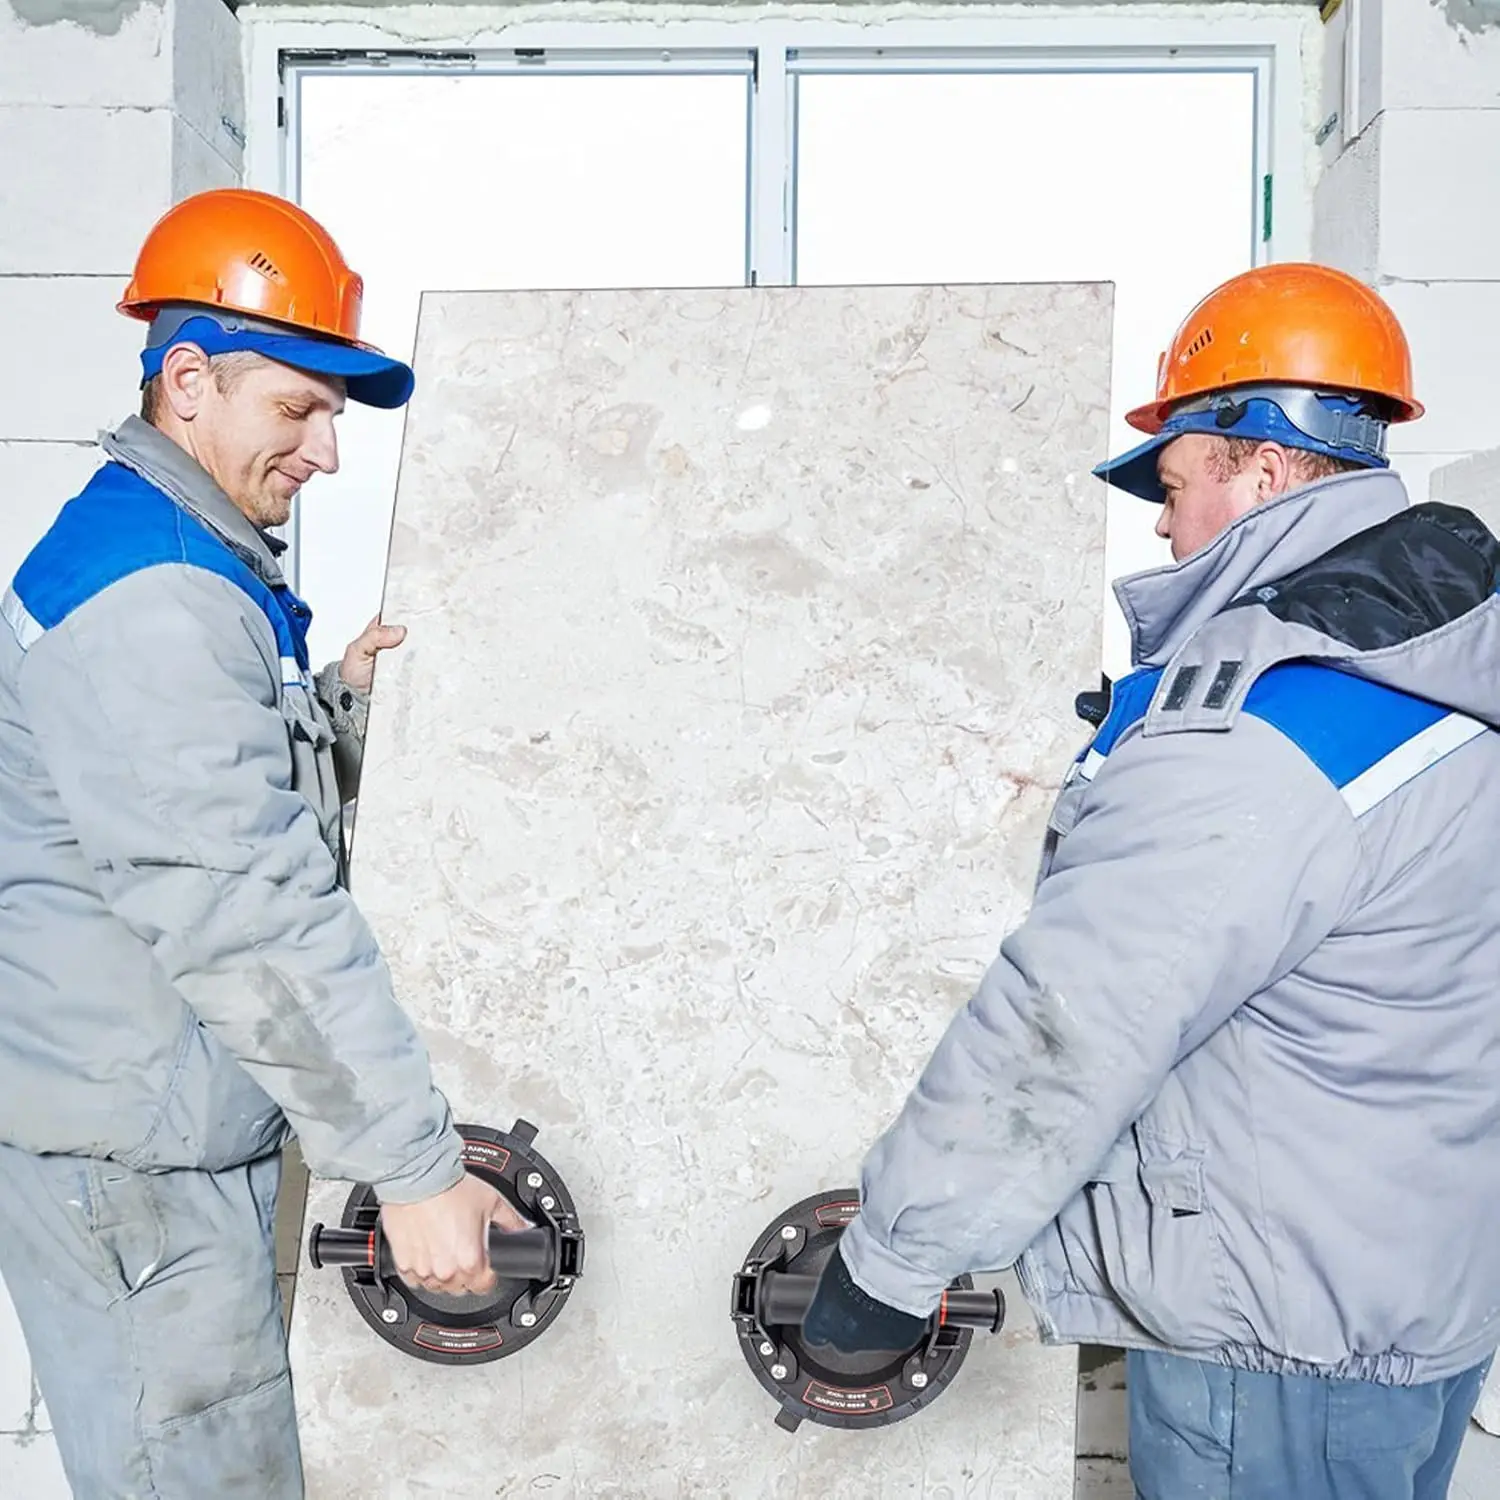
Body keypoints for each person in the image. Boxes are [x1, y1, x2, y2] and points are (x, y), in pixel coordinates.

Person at [801, 262, 1500, 1498]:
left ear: (1265, 467)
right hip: (1410, 1295)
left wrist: (892, 1268)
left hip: (1272, 1331)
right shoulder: (1444, 681)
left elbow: (1076, 1017)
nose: (1164, 529)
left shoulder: (1274, 730)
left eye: (1175, 487)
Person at [0, 188, 522, 1498]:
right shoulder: (161, 598)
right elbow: (246, 910)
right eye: (300, 409)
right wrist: (411, 1169)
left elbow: (195, 805)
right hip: (138, 1168)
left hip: (145, 1129)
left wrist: (332, 706)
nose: (325, 452)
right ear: (190, 381)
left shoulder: (176, 555)